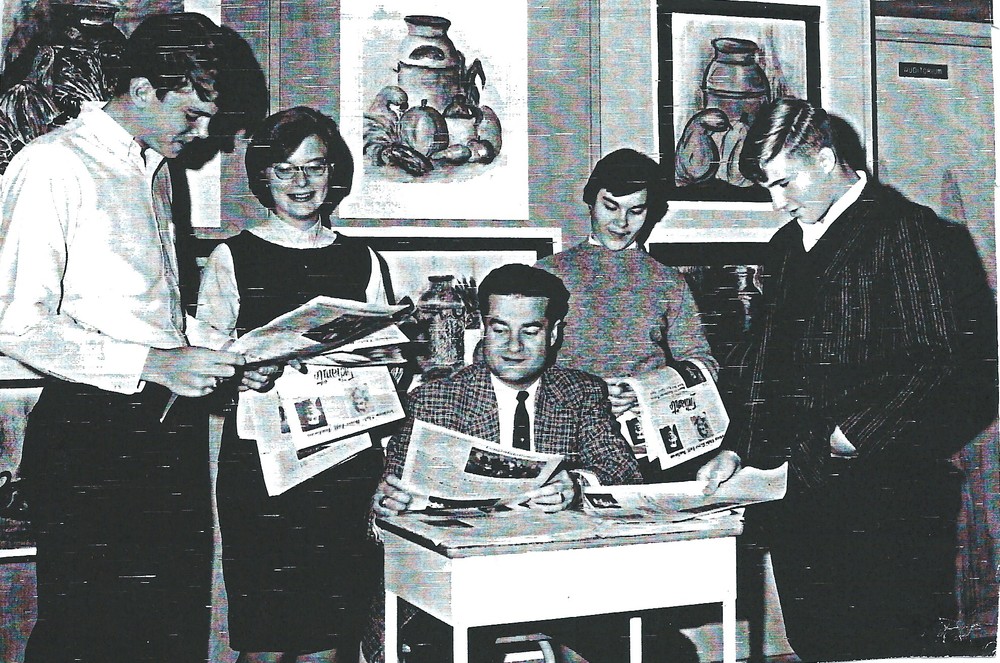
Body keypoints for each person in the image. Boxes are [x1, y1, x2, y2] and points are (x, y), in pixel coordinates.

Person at [0, 13, 271, 662]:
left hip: (164, 431)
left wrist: (229, 355)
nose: (203, 136)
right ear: (144, 88)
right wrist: (154, 363)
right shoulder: (53, 164)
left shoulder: (157, 171)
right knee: (91, 636)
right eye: (193, 115)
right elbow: (16, 321)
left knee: (168, 628)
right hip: (91, 435)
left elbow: (156, 311)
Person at [697, 98, 998, 662]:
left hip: (887, 501)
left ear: (826, 159)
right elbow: (764, 362)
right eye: (768, 187)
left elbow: (942, 362)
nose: (777, 203)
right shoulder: (786, 246)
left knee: (882, 649)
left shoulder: (909, 232)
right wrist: (736, 447)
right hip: (798, 497)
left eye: (784, 183)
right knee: (816, 644)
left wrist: (849, 435)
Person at [363, 263, 643, 663]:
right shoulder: (435, 399)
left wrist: (577, 484)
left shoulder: (581, 392)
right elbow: (379, 521)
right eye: (499, 329)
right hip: (457, 579)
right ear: (483, 328)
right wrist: (385, 508)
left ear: (554, 333)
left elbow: (624, 472)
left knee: (653, 650)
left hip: (561, 576)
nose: (513, 347)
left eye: (530, 331)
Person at [197, 106, 394, 663]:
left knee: (329, 638)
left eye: (314, 167)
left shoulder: (362, 258)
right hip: (263, 464)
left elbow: (383, 358)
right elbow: (204, 364)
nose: (301, 182)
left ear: (334, 173)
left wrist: (387, 362)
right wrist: (239, 374)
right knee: (265, 636)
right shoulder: (232, 256)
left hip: (343, 461)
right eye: (285, 169)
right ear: (264, 176)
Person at [535, 148, 717, 425]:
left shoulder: (669, 281)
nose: (621, 222)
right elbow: (510, 358)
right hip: (564, 425)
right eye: (611, 207)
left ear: (651, 211)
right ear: (590, 202)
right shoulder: (547, 273)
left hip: (644, 429)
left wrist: (646, 390)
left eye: (636, 211)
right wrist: (582, 391)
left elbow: (703, 365)